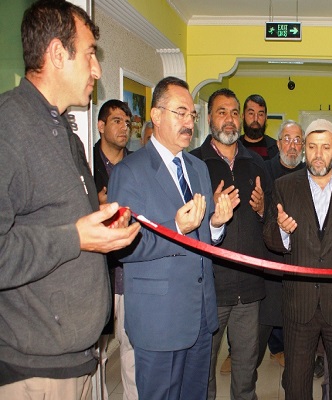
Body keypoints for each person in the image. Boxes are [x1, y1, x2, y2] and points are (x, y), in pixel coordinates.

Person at [0, 1, 140, 399]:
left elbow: (54, 219)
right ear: (57, 54)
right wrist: (76, 237)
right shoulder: (9, 126)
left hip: (78, 357)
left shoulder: (65, 132)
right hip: (35, 369)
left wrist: (103, 225)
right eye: (90, 54)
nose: (97, 70)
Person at [108, 76, 234, 400]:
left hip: (200, 315)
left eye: (192, 115)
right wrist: (176, 227)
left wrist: (216, 224)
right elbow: (123, 246)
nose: (189, 122)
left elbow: (202, 239)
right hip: (159, 320)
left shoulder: (198, 168)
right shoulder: (130, 172)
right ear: (156, 115)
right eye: (180, 113)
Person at [264, 118, 332, 400]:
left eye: (325, 147)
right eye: (312, 147)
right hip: (299, 303)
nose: (318, 154)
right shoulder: (284, 186)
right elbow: (269, 236)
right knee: (296, 383)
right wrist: (282, 231)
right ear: (305, 149)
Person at [190, 88, 271, 400]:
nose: (229, 119)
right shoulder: (193, 163)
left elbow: (273, 222)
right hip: (209, 287)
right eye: (221, 112)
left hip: (249, 288)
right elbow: (181, 226)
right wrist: (211, 214)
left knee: (246, 371)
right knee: (203, 370)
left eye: (234, 112)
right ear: (209, 117)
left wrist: (263, 209)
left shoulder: (257, 164)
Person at [93, 99, 137, 400]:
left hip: (131, 271)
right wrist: (94, 206)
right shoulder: (85, 166)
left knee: (133, 350)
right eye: (117, 121)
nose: (124, 128)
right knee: (96, 354)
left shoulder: (137, 165)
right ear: (101, 126)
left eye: (127, 122)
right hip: (98, 274)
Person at [257, 120, 306, 372]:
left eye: (298, 140)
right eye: (287, 139)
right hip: (270, 253)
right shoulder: (265, 170)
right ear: (278, 144)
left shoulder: (309, 172)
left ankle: (292, 353)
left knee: (296, 313)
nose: (292, 145)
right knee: (268, 314)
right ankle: (258, 356)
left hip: (301, 255)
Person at [240, 94, 278, 160]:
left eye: (260, 114)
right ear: (243, 116)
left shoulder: (276, 149)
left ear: (266, 118)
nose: (256, 119)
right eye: (251, 113)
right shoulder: (234, 147)